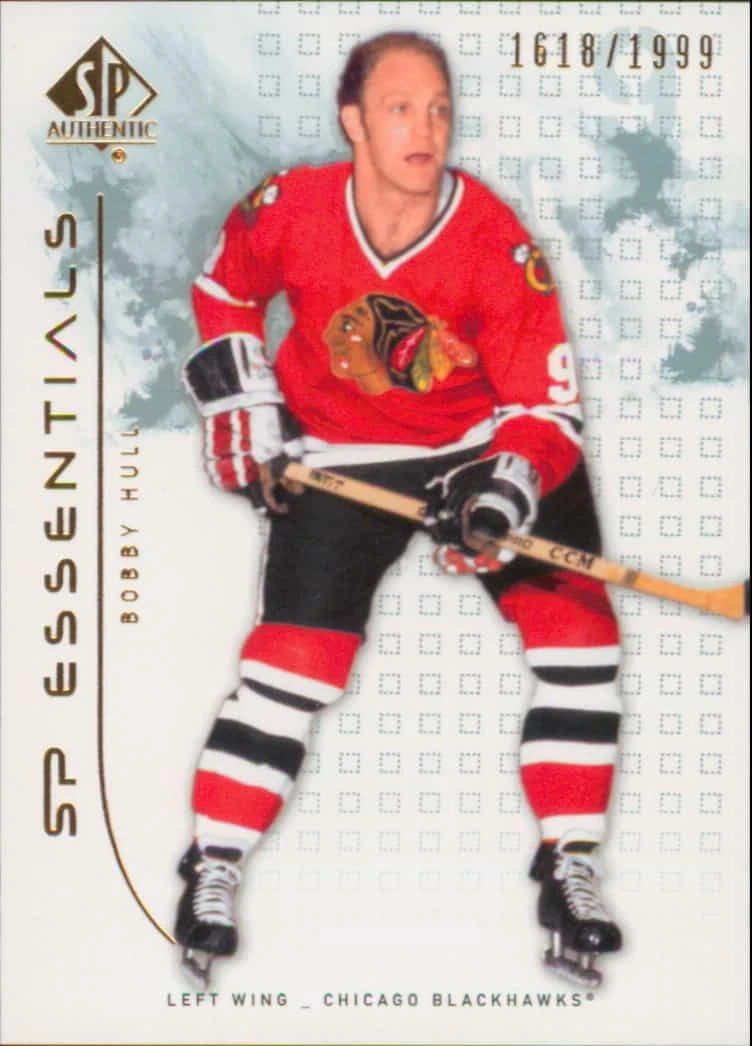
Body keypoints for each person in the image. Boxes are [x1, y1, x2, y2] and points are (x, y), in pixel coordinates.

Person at [176, 30, 623, 990]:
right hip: (340, 454)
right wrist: (244, 403)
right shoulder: (290, 208)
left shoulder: (493, 239)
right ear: (353, 122)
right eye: (400, 109)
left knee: (579, 640)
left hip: (482, 444)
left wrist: (505, 488)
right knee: (293, 666)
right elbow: (223, 291)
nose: (427, 129)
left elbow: (544, 406)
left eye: (440, 110)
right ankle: (214, 860)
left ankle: (570, 862)